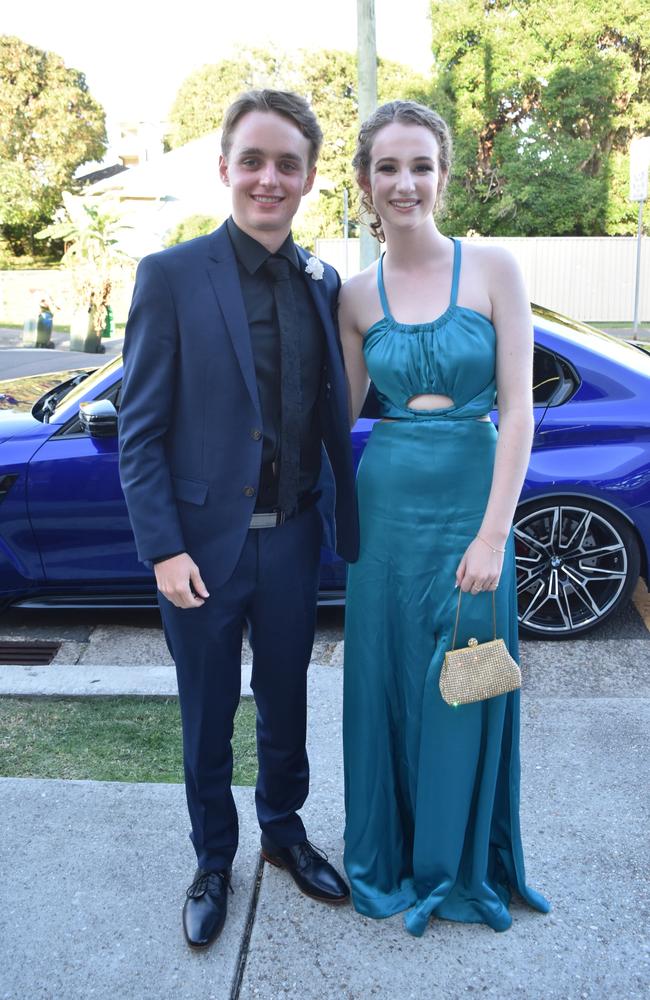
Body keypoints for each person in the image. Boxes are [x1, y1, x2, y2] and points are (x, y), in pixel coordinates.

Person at [118, 89, 358, 950]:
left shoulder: (320, 281)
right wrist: (162, 550)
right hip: (200, 553)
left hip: (293, 539)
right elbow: (140, 432)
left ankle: (284, 833)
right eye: (252, 160)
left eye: (286, 164)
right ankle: (213, 859)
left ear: (308, 177)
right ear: (225, 168)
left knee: (286, 698)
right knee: (208, 708)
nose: (268, 178)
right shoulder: (172, 276)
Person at [339, 100, 550, 937]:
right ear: (364, 183)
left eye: (420, 165)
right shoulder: (353, 296)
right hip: (385, 510)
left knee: (469, 679)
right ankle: (388, 855)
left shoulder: (494, 267)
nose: (404, 182)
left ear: (444, 174)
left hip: (472, 499)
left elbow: (519, 412)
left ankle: (461, 860)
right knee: (388, 681)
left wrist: (495, 533)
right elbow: (341, 410)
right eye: (387, 167)